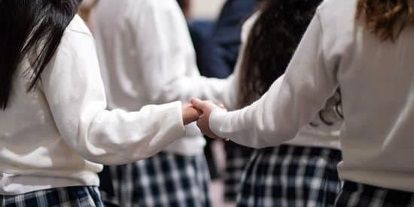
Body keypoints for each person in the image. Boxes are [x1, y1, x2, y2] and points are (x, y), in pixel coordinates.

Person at [193, 0, 414, 206]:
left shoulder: (341, 12)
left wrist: (216, 121)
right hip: (328, 167)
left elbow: (264, 110)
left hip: (285, 167)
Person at [0, 0, 199, 206]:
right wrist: (178, 115)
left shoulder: (16, 25)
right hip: (59, 194)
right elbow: (91, 132)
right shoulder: (59, 30)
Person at [190, 0, 342, 206]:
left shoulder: (259, 24)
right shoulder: (341, 20)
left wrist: (200, 101)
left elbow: (238, 94)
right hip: (329, 164)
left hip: (270, 161)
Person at [92, 0, 228, 206]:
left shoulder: (103, 5)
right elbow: (168, 90)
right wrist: (232, 89)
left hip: (130, 151)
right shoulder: (154, 5)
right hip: (167, 152)